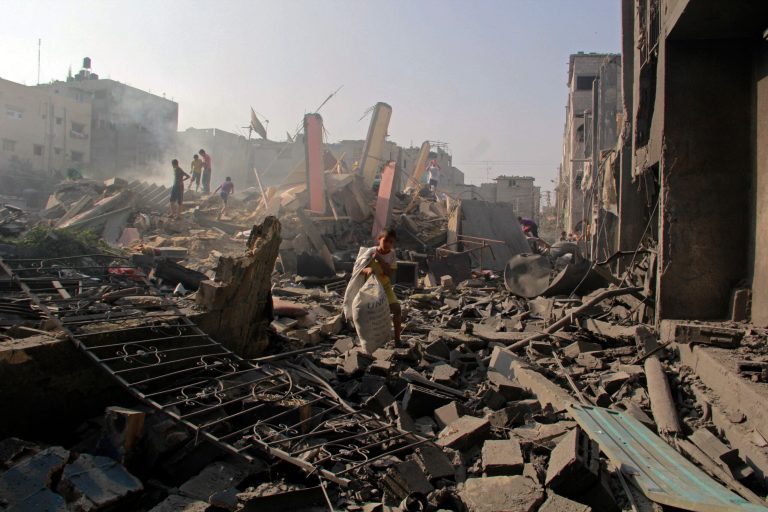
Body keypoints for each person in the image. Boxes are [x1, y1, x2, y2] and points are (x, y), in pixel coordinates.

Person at [360, 228, 402, 345]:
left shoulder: (392, 255)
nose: (388, 244)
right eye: (386, 241)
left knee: (397, 309)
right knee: (370, 315)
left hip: (385, 287)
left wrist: (379, 260)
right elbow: (358, 269)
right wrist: (368, 269)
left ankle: (397, 340)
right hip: (370, 289)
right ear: (379, 239)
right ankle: (370, 341)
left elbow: (389, 273)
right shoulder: (370, 252)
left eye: (391, 242)